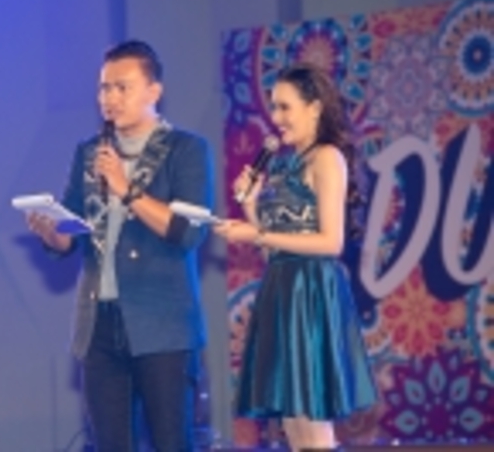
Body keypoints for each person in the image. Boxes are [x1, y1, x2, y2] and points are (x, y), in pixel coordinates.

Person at [26, 40, 215, 451]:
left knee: (171, 442)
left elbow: (188, 231)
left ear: (154, 91)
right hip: (99, 323)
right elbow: (73, 231)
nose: (109, 98)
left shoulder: (185, 150)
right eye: (104, 88)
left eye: (121, 87)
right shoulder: (90, 152)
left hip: (163, 325)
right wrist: (52, 232)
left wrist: (126, 189)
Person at [213, 62, 377, 452]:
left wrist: (256, 232)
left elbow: (331, 242)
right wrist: (252, 206)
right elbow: (274, 249)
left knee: (313, 426)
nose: (276, 118)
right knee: (293, 426)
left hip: (311, 292)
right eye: (273, 107)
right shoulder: (288, 165)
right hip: (283, 289)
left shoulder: (327, 158)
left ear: (314, 108)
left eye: (285, 107)